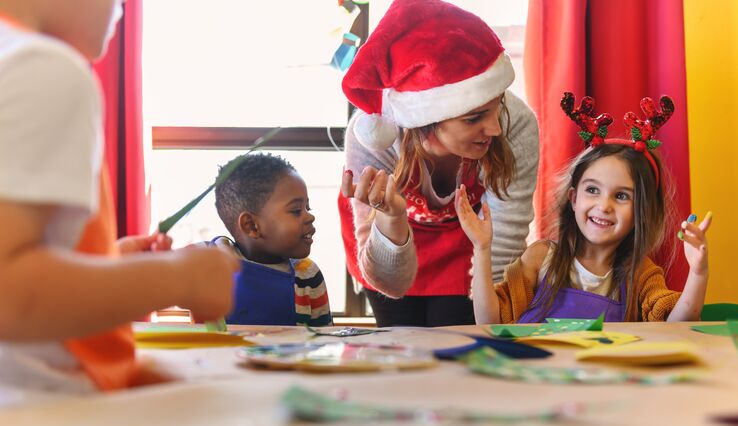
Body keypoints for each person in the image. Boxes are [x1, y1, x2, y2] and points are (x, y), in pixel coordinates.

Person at [0, 0, 238, 402]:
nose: (122, 12)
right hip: (37, 407)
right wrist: (181, 277)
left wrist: (107, 264)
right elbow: (9, 293)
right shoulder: (40, 66)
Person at [339, 0, 539, 327]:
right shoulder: (374, 136)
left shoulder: (516, 123)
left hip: (472, 244)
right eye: (474, 117)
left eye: (496, 106)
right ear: (426, 120)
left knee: (461, 343)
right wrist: (391, 220)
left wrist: (492, 314)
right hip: (389, 243)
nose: (495, 128)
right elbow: (390, 282)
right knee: (403, 346)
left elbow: (504, 234)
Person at [457, 93, 711, 324]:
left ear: (641, 212)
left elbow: (675, 325)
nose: (604, 205)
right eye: (592, 190)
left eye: (621, 196)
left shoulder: (641, 274)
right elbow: (489, 323)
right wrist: (482, 248)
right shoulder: (541, 258)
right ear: (573, 198)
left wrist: (698, 272)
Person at [212, 153, 332, 326]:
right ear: (251, 226)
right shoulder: (214, 263)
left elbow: (323, 338)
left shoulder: (307, 275)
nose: (310, 217)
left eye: (308, 207)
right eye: (296, 210)